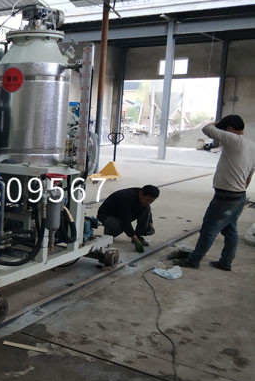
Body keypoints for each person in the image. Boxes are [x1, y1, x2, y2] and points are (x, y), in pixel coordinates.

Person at [176, 115, 255, 271]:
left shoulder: (233, 139)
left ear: (230, 129)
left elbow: (207, 129)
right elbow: (250, 172)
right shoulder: (251, 144)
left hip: (225, 197)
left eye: (225, 129)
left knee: (208, 230)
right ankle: (225, 262)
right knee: (230, 230)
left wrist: (219, 122)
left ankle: (193, 260)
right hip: (238, 196)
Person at [97, 185, 160, 253]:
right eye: (147, 200)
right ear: (140, 194)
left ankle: (138, 235)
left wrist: (150, 223)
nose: (149, 203)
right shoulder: (126, 198)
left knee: (146, 208)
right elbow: (125, 221)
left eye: (151, 201)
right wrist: (136, 241)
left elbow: (147, 210)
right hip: (108, 215)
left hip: (124, 213)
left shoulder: (143, 196)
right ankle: (109, 234)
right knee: (117, 226)